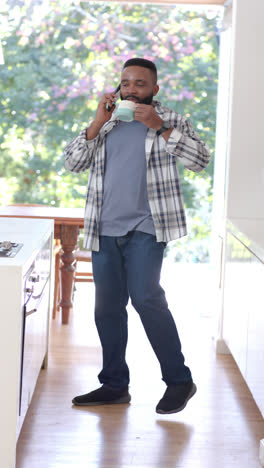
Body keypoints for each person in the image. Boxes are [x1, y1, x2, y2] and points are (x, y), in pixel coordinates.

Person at [64, 57, 210, 414]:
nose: (131, 89)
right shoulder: (108, 123)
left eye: (140, 84)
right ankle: (114, 385)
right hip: (104, 229)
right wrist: (97, 121)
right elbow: (72, 162)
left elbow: (200, 160)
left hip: (148, 226)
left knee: (146, 298)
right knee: (107, 309)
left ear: (154, 90)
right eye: (125, 82)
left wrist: (160, 127)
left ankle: (179, 380)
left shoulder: (171, 120)